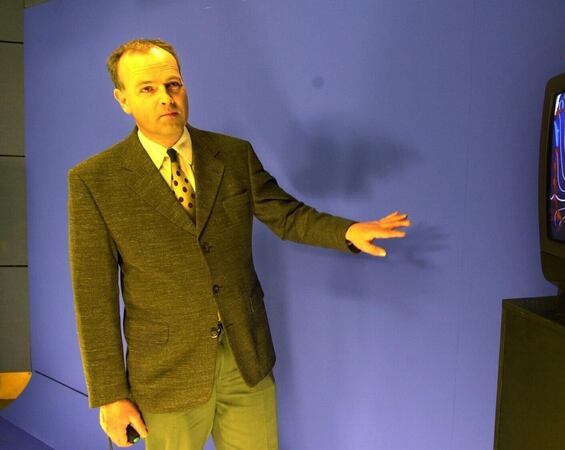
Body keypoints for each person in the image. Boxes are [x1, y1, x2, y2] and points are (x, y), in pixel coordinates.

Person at [67, 39, 411, 449]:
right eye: (147, 89)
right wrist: (110, 394)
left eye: (173, 84)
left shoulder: (232, 155)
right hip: (165, 376)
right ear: (122, 99)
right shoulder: (95, 180)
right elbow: (93, 297)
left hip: (246, 359)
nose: (166, 98)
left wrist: (346, 232)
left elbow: (286, 214)